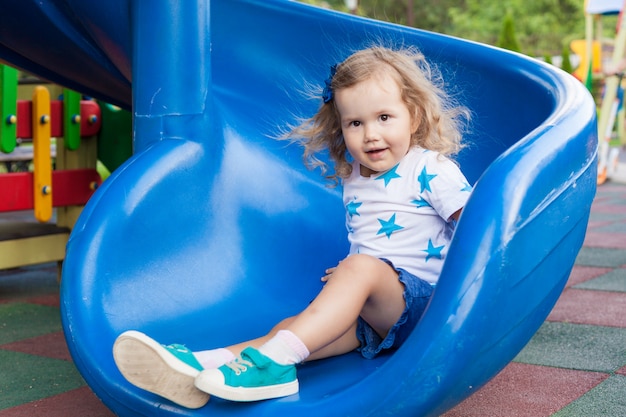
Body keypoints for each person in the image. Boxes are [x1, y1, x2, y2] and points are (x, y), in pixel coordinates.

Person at [112, 45, 472, 408]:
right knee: (290, 328)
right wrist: (355, 274)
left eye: (384, 117)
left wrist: (364, 272)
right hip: (376, 315)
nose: (370, 135)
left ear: (412, 115)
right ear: (341, 128)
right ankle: (198, 368)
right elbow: (376, 245)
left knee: (356, 272)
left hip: (426, 311)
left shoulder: (430, 168)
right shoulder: (357, 177)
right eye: (355, 123)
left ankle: (277, 368)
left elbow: (477, 232)